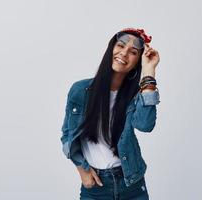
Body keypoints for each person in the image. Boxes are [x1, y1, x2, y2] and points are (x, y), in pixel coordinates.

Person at [60, 27, 160, 200]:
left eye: (133, 52)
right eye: (120, 46)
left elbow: (145, 125)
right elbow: (67, 135)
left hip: (132, 184)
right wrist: (82, 169)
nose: (124, 53)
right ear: (111, 48)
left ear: (137, 61)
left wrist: (149, 72)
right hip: (96, 188)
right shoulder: (80, 91)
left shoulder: (137, 96)